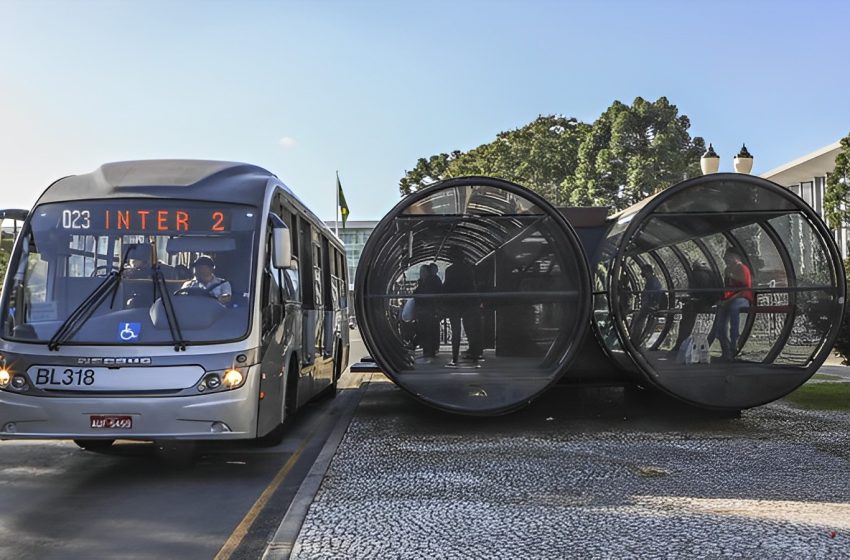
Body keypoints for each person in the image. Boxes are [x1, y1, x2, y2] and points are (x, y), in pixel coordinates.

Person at [709, 248, 753, 361]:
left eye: (727, 256)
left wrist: (728, 300)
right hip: (729, 299)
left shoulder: (742, 269)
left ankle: (735, 342)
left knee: (734, 308)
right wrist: (723, 300)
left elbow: (744, 289)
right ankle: (725, 349)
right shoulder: (727, 270)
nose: (725, 258)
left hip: (742, 298)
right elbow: (727, 288)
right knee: (721, 319)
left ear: (734, 256)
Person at [442, 247, 480, 367]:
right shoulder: (468, 269)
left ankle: (454, 358)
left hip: (454, 304)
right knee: (470, 331)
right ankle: (474, 357)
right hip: (468, 303)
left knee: (456, 332)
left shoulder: (450, 270)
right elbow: (472, 286)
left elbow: (447, 288)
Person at [673, 261, 720, 351]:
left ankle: (680, 343)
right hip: (712, 301)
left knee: (687, 313)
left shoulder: (696, 274)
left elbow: (694, 291)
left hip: (702, 301)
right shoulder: (712, 273)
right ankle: (681, 343)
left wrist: (692, 298)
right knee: (688, 309)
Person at [630, 263, 664, 348]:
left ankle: (635, 341)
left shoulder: (652, 281)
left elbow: (655, 294)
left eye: (644, 271)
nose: (642, 273)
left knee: (639, 320)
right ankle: (636, 340)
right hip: (651, 304)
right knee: (640, 319)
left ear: (648, 272)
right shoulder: (652, 280)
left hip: (651, 305)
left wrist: (654, 304)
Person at [413, 264, 442, 360]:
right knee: (426, 329)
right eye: (421, 272)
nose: (421, 274)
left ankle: (429, 350)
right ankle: (428, 350)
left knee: (428, 330)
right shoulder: (426, 281)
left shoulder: (430, 281)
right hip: (425, 309)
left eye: (423, 272)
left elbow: (423, 293)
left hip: (429, 309)